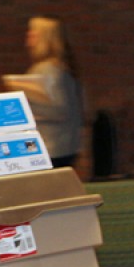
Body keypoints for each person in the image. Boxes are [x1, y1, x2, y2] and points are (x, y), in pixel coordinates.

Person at [22, 15, 83, 168]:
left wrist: (26, 114)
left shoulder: (47, 70)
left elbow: (59, 110)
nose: (28, 39)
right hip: (67, 144)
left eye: (32, 34)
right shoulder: (63, 67)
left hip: (51, 146)